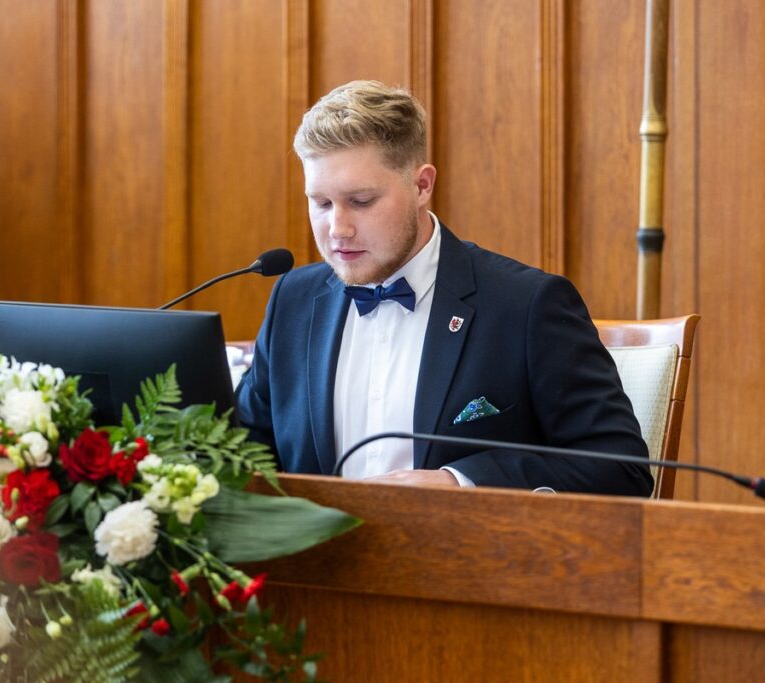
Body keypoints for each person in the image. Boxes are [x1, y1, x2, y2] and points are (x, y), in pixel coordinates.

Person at [235, 80, 652, 496]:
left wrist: (461, 482)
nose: (337, 228)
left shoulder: (526, 305)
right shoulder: (293, 299)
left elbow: (620, 468)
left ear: (422, 186)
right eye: (321, 203)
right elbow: (242, 449)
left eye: (361, 201)